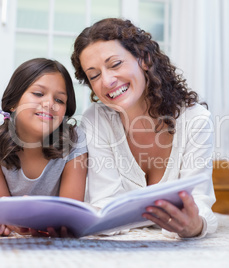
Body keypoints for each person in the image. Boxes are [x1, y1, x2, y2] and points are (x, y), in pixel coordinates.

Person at [71, 18, 217, 238]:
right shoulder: (96, 119)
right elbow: (105, 202)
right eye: (94, 75)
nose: (107, 81)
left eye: (115, 64)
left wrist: (195, 226)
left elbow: (199, 201)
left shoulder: (196, 120)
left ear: (145, 59)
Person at [0, 58, 88, 236]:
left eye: (59, 100)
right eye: (38, 93)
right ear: (13, 103)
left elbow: (70, 216)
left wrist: (27, 221)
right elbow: (2, 213)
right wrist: (7, 223)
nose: (50, 103)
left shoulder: (74, 139)